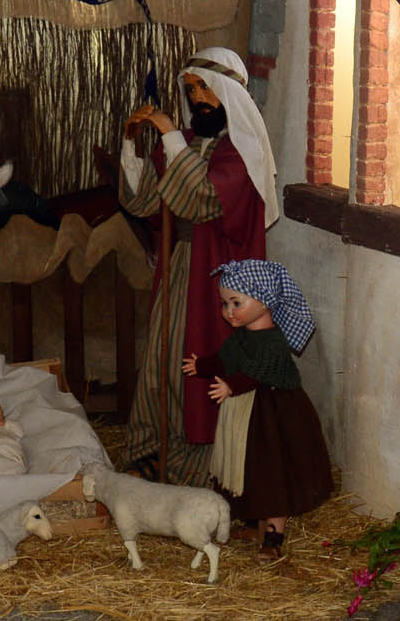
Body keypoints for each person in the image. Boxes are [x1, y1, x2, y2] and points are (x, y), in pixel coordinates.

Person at [116, 46, 277, 486]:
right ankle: (155, 453)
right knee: (163, 360)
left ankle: (204, 470)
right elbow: (147, 203)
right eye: (191, 89)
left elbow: (204, 200)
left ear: (230, 94)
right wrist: (133, 145)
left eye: (206, 87)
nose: (198, 97)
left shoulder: (241, 154)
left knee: (204, 362)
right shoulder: (183, 144)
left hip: (220, 277)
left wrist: (168, 133)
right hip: (181, 267)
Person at [180, 258, 334, 559]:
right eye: (225, 304)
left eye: (236, 303)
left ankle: (274, 535)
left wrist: (231, 386)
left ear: (263, 301)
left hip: (275, 416)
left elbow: (259, 372)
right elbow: (226, 358)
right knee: (245, 468)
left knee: (272, 472)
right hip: (246, 416)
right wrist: (202, 365)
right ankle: (254, 523)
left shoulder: (272, 341)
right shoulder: (242, 336)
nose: (229, 312)